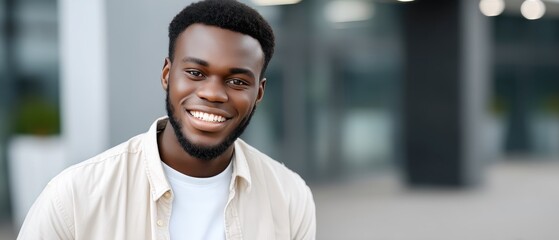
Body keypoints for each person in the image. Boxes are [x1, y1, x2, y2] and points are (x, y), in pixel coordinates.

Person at [17, 0, 316, 239]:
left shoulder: (289, 198)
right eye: (195, 73)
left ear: (259, 92)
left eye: (237, 81)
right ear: (166, 75)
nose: (213, 94)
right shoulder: (74, 197)